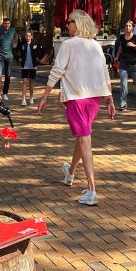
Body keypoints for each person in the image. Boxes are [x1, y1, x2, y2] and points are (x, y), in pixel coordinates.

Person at [37, 10, 115, 206]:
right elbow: (104, 72)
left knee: (85, 138)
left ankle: (91, 189)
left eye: (69, 22)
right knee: (83, 136)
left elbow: (57, 71)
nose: (67, 26)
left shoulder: (68, 44)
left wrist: (45, 96)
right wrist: (109, 98)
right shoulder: (95, 45)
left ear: (77, 23)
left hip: (78, 97)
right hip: (94, 97)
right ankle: (70, 172)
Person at [113, 20, 136, 110]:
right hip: (124, 61)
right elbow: (120, 47)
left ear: (132, 28)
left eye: (129, 26)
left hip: (134, 62)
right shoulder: (122, 37)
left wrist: (133, 45)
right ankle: (123, 104)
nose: (127, 27)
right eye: (126, 26)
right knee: (123, 83)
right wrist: (117, 57)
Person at [0, 18, 18, 102]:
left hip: (9, 56)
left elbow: (16, 36)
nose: (7, 25)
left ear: (10, 24)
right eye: (5, 23)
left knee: (8, 75)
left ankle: (5, 93)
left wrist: (15, 43)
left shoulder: (12, 30)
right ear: (3, 24)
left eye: (8, 23)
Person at [19, 30, 48, 106]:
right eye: (26, 36)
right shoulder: (22, 44)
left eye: (29, 36)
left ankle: (31, 97)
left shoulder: (35, 44)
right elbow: (17, 51)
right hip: (24, 66)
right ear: (25, 36)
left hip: (33, 66)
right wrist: (19, 58)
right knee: (25, 81)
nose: (28, 38)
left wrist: (39, 58)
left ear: (31, 36)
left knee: (31, 82)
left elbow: (42, 50)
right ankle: (23, 99)